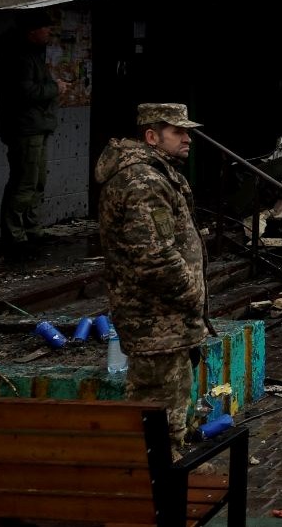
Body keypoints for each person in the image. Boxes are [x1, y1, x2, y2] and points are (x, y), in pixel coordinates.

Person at [95, 103, 209, 448]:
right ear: (152, 136)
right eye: (178, 132)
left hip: (167, 321)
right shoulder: (142, 180)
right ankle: (158, 491)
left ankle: (167, 482)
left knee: (172, 413)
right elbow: (154, 256)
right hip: (155, 320)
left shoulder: (158, 173)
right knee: (158, 420)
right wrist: (192, 293)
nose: (187, 138)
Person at [0, 8, 69, 248]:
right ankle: (14, 233)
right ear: (32, 31)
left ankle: (32, 228)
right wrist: (55, 88)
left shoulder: (30, 53)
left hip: (36, 125)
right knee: (24, 181)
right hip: (24, 128)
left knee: (37, 181)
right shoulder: (17, 57)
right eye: (46, 28)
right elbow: (24, 93)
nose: (49, 32)